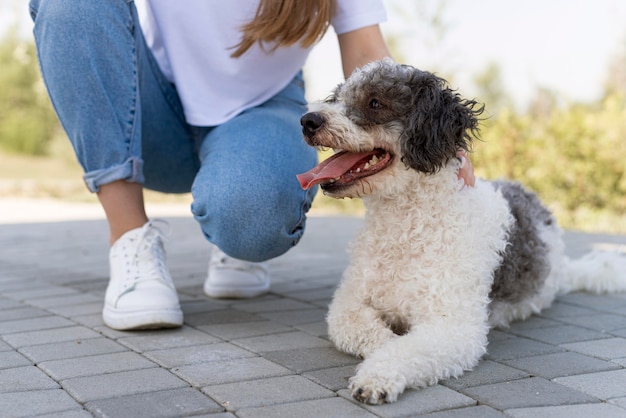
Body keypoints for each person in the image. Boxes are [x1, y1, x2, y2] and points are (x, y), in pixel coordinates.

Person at [29, 0, 474, 331]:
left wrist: (435, 130)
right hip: (146, 114)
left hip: (260, 111)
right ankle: (129, 241)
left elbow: (368, 53)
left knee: (251, 218)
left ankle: (235, 219)